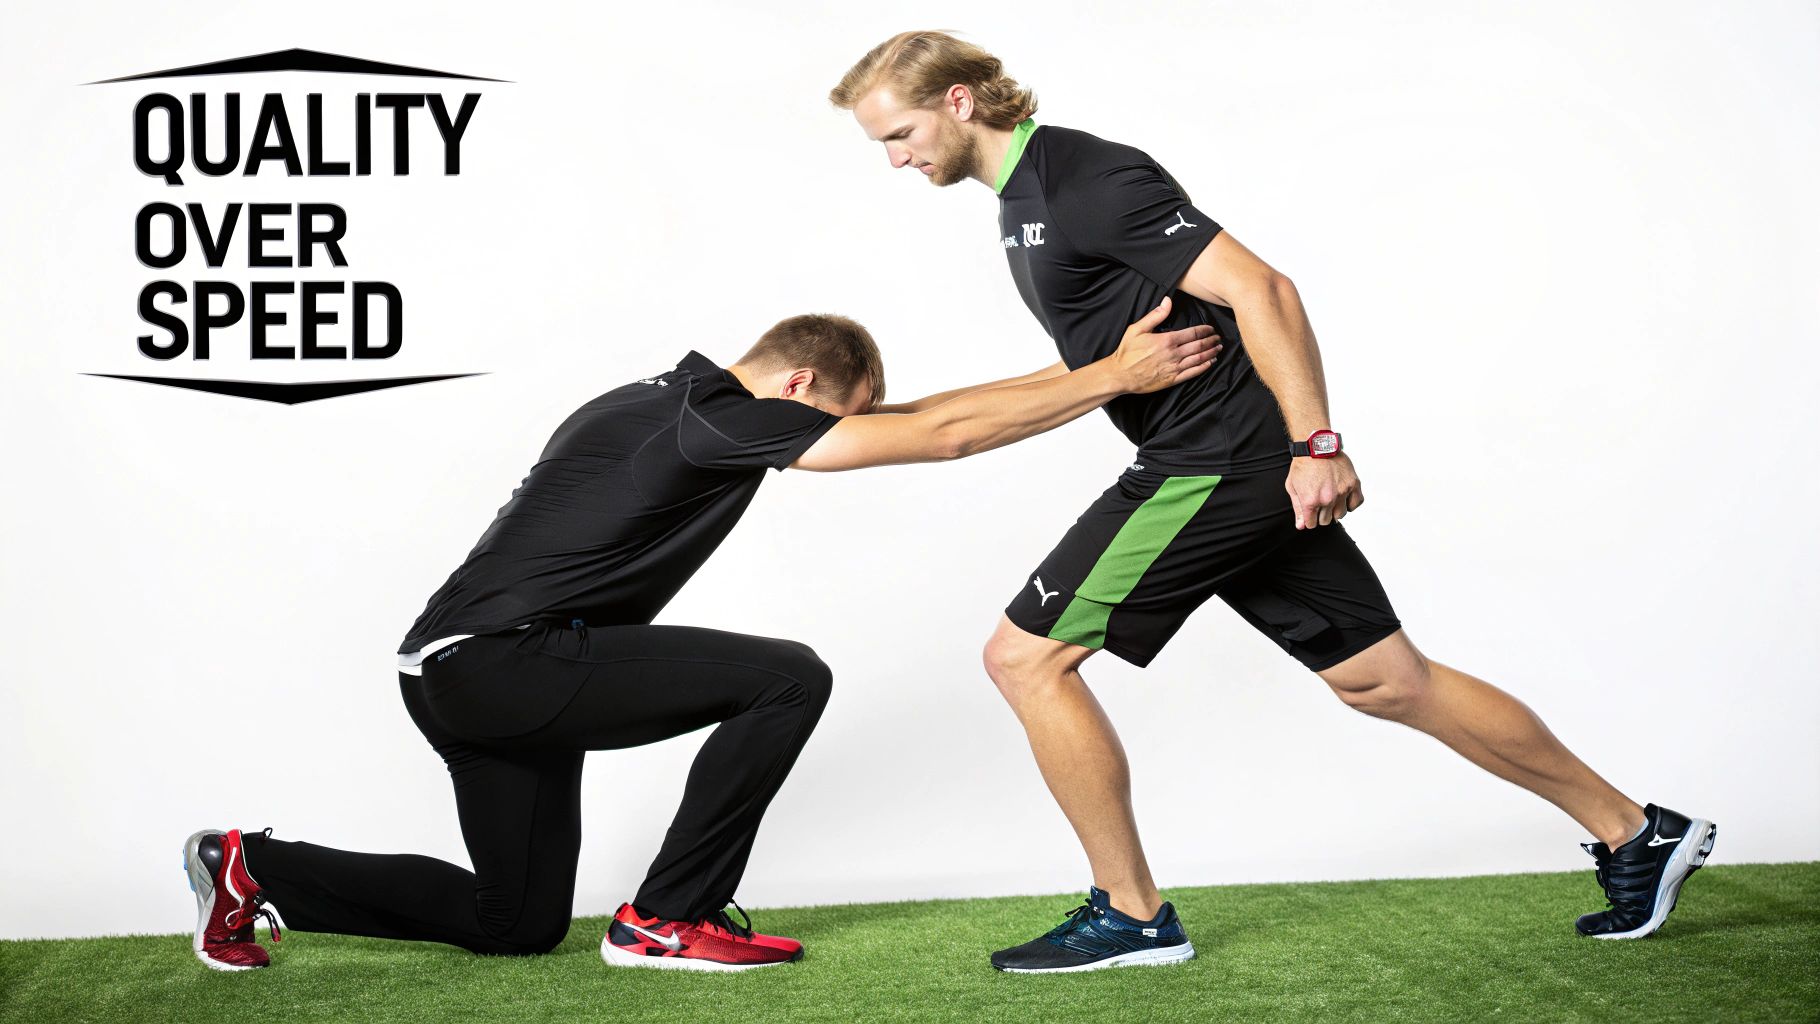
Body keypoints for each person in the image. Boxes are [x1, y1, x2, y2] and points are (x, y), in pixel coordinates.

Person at [830, 31, 1716, 973]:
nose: (896, 158)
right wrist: (912, 413)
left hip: (1215, 463)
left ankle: (1131, 917)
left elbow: (1262, 288)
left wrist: (1316, 443)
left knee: (1025, 661)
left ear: (961, 101)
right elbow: (1092, 369)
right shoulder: (1026, 202)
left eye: (902, 132)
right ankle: (1635, 831)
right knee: (1385, 680)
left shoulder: (1087, 176)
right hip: (1225, 462)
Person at [182, 304, 1219, 973]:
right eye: (828, 420)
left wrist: (1087, 368)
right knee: (786, 679)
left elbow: (924, 412)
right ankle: (668, 914)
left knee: (516, 922)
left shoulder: (664, 399)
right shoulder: (714, 414)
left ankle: (252, 866)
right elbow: (937, 439)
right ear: (801, 390)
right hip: (507, 661)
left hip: (458, 671)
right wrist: (1114, 382)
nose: (820, 440)